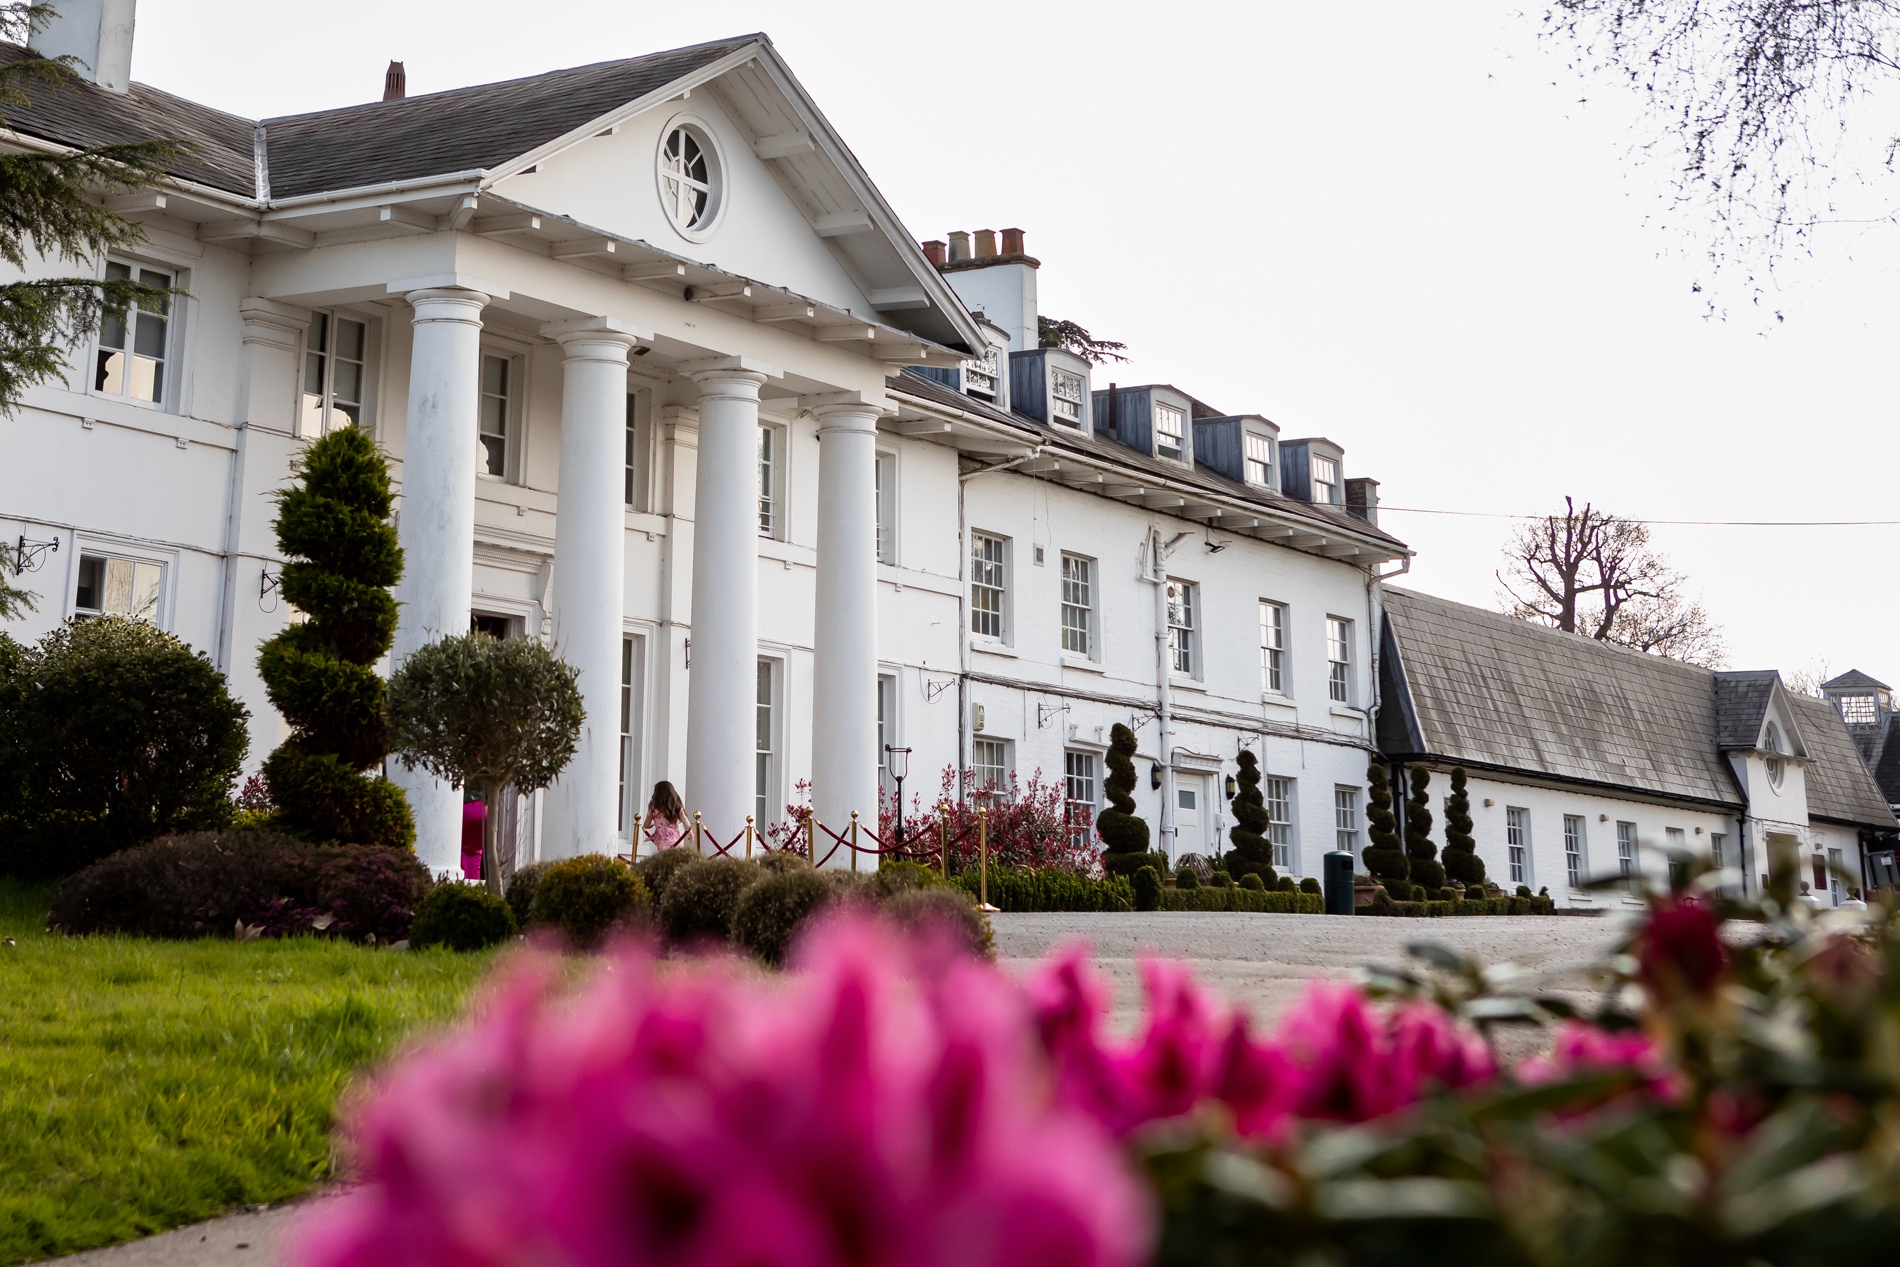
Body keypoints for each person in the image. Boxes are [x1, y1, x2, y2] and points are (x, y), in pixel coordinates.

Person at [645, 781, 687, 851]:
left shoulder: (653, 807)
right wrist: (690, 831)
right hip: (674, 838)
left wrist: (654, 824)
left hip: (662, 838)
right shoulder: (675, 805)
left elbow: (646, 825)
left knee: (665, 859)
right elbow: (683, 817)